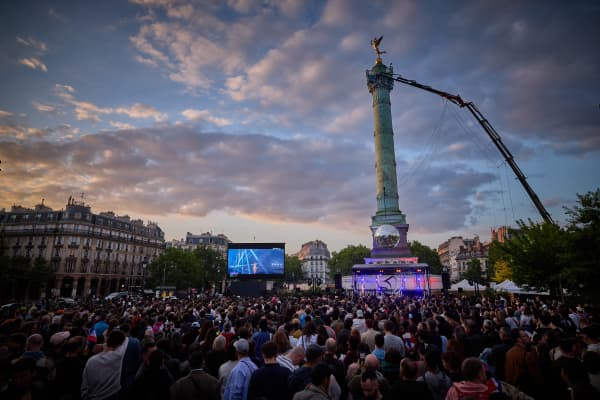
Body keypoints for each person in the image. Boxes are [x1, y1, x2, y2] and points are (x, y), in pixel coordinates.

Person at [81, 330, 129, 400]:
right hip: (112, 393)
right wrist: (104, 345)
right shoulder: (118, 355)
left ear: (107, 339)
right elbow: (126, 339)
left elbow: (85, 382)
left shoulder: (92, 360)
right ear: (119, 345)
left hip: (93, 396)